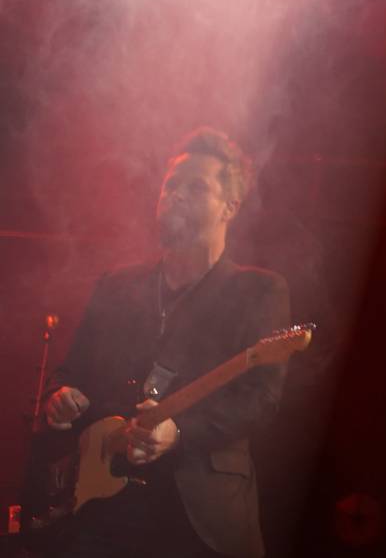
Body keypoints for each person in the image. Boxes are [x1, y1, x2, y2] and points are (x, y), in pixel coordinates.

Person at [42, 127, 291, 558]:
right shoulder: (117, 285)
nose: (176, 195)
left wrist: (178, 432)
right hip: (103, 504)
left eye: (196, 188)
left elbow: (261, 399)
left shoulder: (258, 291)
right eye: (170, 185)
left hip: (199, 514)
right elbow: (70, 373)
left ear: (230, 206)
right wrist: (60, 398)